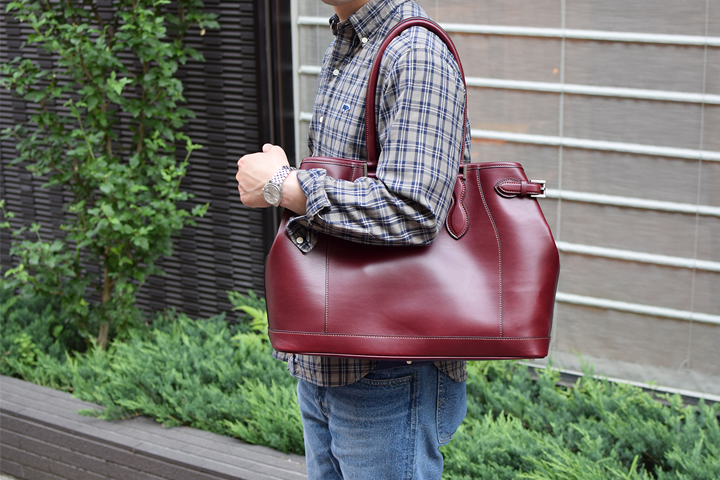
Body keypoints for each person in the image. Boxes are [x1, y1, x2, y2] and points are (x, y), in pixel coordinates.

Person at [235, 0, 471, 478]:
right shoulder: (351, 44)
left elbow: (413, 208)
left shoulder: (414, 51)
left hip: (389, 361)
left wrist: (285, 185)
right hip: (332, 352)